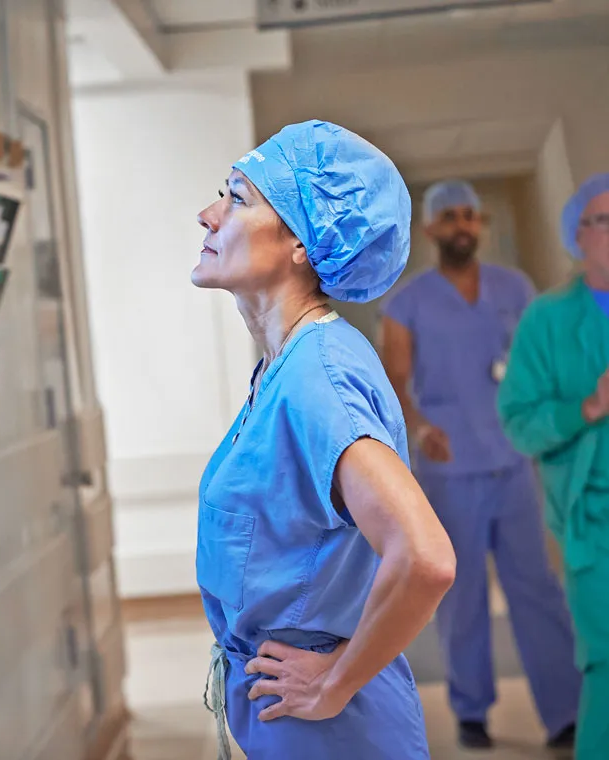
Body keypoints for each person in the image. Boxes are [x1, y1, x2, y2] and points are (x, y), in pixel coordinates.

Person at [194, 119, 456, 760]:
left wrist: (336, 681)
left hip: (329, 722)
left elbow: (424, 557)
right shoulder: (286, 365)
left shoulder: (318, 377)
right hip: (293, 707)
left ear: (302, 244)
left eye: (238, 197)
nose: (209, 215)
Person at [379, 179, 581, 750]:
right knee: (461, 592)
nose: (463, 226)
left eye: (471, 216)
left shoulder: (515, 289)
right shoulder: (408, 303)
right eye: (451, 217)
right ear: (431, 230)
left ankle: (565, 710)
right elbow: (395, 382)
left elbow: (544, 365)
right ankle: (470, 708)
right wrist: (417, 428)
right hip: (448, 470)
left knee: (536, 587)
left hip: (513, 464)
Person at [498, 172, 609, 759]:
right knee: (607, 665)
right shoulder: (548, 320)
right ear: (579, 235)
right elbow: (519, 420)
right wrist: (589, 405)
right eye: (605, 220)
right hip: (594, 518)